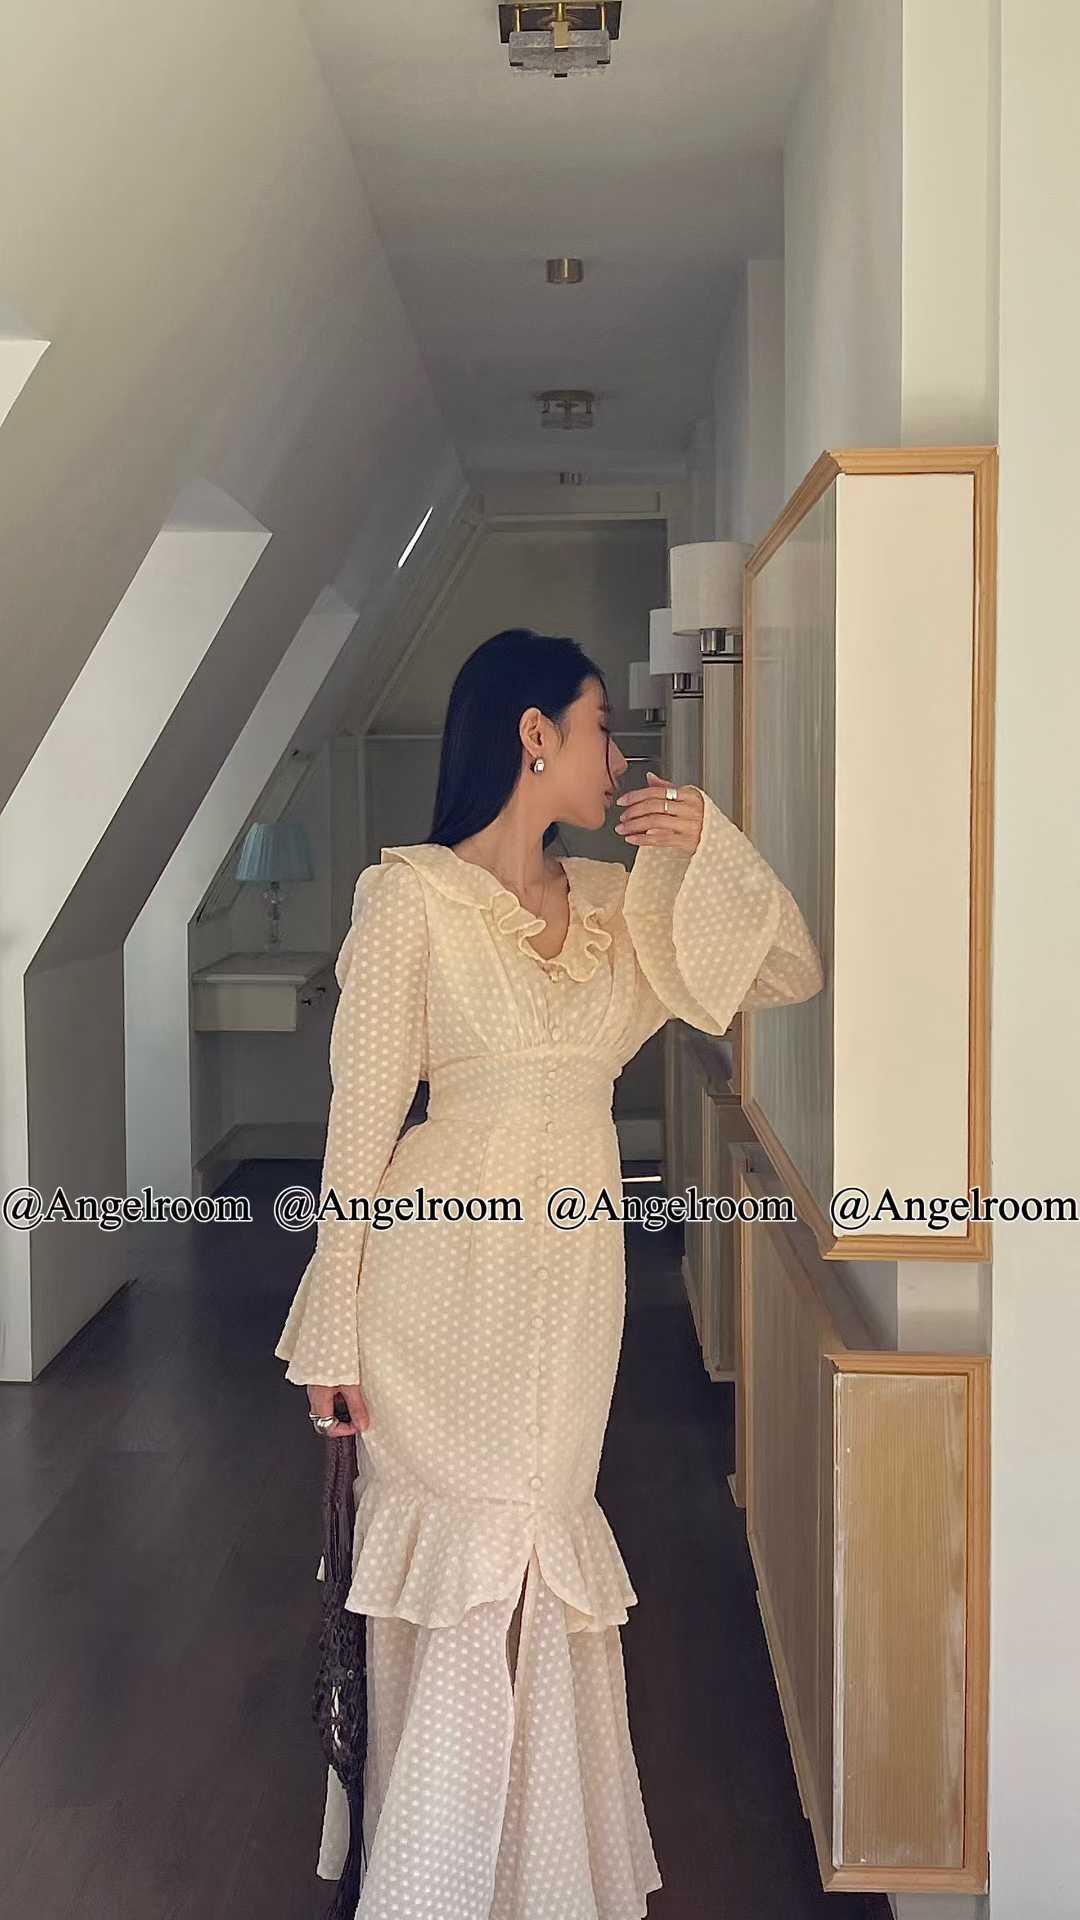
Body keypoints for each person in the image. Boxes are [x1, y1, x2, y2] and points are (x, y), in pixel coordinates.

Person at [274, 627, 825, 1918]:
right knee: (465, 1559)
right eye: (600, 728)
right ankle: (434, 1881)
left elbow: (788, 970)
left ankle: (541, 1878)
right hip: (435, 1278)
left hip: (570, 1277)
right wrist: (335, 1327)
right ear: (536, 736)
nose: (618, 757)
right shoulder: (410, 897)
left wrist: (711, 844)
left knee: (542, 1533)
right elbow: (360, 1125)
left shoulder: (628, 906)